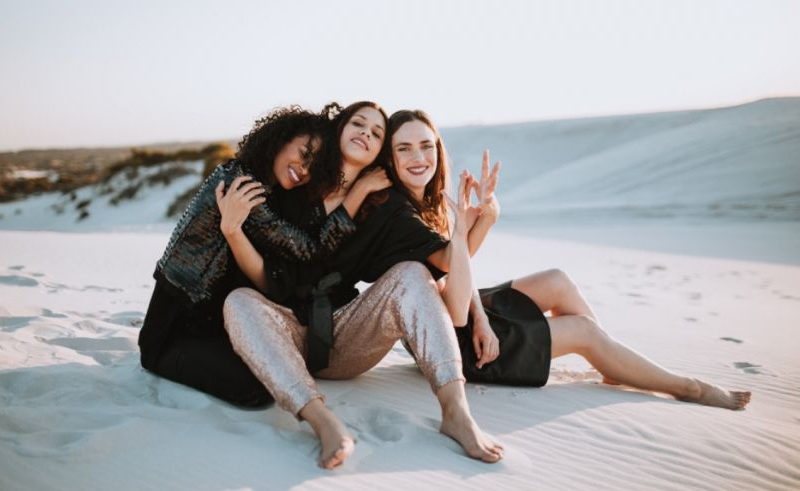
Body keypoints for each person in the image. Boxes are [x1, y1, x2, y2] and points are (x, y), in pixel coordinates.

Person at [387, 109, 752, 410]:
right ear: (390, 157)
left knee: (557, 280)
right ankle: (688, 387)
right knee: (584, 331)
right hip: (450, 344)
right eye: (404, 149)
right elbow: (452, 311)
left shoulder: (428, 201)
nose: (419, 157)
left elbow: (453, 269)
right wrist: (466, 233)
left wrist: (487, 216)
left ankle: (611, 361)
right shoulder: (400, 217)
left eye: (426, 145)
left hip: (462, 315)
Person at [221, 101, 504, 469]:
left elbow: (449, 262)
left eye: (376, 134)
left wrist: (484, 218)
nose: (365, 135)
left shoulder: (383, 202)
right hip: (281, 331)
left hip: (344, 336)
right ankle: (324, 424)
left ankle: (457, 413)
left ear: (379, 152)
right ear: (338, 129)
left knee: (411, 273)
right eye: (358, 124)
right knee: (238, 301)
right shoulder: (297, 182)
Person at [139, 104, 390, 407]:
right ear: (280, 139)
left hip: (205, 324)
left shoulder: (263, 185)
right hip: (171, 331)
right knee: (260, 389)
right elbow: (306, 248)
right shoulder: (241, 185)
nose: (304, 169)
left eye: (315, 166)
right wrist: (359, 191)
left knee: (272, 366)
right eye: (304, 153)